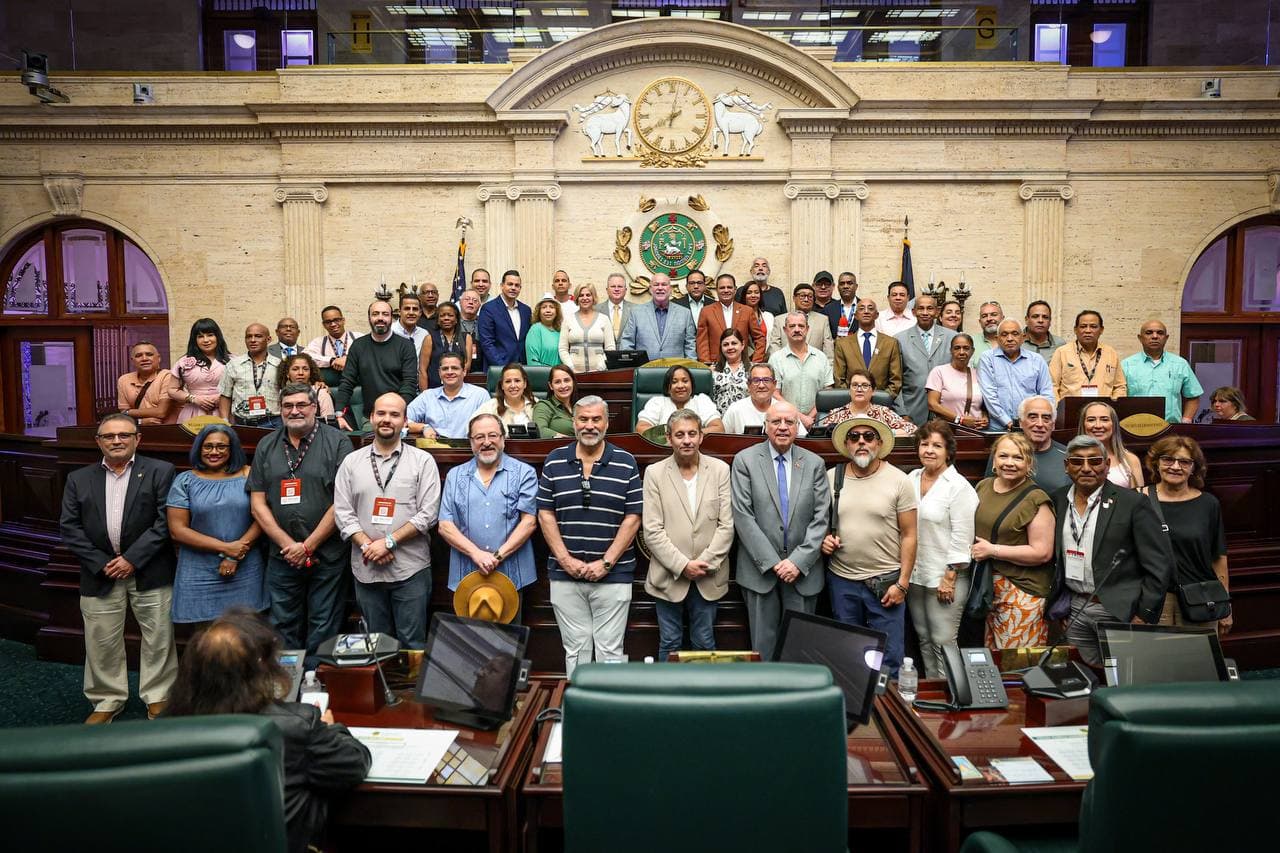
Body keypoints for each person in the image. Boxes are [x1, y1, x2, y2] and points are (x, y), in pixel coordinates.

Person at [164, 608, 371, 853]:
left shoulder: (167, 728)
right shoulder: (296, 726)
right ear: (261, 666)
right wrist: (331, 728)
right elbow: (355, 762)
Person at [60, 414, 178, 723]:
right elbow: (70, 528)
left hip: (150, 569)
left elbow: (166, 521)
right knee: (100, 640)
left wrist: (132, 559)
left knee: (159, 637)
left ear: (138, 439)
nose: (116, 441)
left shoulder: (160, 471)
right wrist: (102, 564)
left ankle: (159, 696)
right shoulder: (78, 478)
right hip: (98, 572)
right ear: (97, 441)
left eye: (124, 435)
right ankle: (106, 701)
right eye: (109, 436)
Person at [537, 396, 642, 675]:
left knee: (611, 650)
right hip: (564, 573)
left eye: (596, 419)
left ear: (607, 423)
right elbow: (545, 514)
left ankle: (613, 716)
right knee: (576, 649)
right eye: (583, 419)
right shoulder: (554, 460)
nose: (590, 425)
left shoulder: (625, 462)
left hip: (614, 574)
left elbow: (633, 519)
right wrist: (565, 560)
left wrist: (606, 563)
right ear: (573, 423)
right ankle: (580, 713)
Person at [247, 383, 350, 663]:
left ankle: (316, 686)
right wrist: (289, 545)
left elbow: (342, 502)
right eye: (288, 406)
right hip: (282, 555)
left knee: (324, 623)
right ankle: (287, 685)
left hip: (326, 553)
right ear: (280, 410)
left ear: (314, 407)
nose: (295, 411)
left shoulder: (337, 442)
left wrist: (308, 546)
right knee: (282, 624)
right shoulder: (267, 444)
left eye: (301, 405)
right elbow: (257, 502)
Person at [1049, 435, 1173, 666]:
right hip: (1075, 608)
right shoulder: (1058, 500)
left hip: (1120, 610)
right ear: (1067, 467)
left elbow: (1159, 564)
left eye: (1095, 461)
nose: (1086, 468)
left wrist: (1144, 614)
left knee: (1124, 680)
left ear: (1106, 466)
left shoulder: (1132, 503)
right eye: (1077, 461)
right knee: (1082, 680)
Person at [334, 393, 440, 649]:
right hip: (367, 567)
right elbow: (342, 512)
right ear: (370, 417)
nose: (387, 419)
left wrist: (389, 542)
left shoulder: (423, 461)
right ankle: (383, 691)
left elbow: (428, 514)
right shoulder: (351, 462)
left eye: (394, 415)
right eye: (381, 413)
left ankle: (409, 691)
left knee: (413, 644)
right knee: (376, 645)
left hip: (410, 569)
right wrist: (369, 546)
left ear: (405, 421)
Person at [730, 401, 830, 661]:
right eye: (776, 422)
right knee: (763, 650)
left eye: (789, 422)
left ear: (798, 427)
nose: (783, 427)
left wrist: (797, 562)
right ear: (766, 426)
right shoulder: (745, 461)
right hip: (759, 572)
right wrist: (774, 563)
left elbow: (821, 519)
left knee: (800, 650)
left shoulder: (814, 463)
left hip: (802, 574)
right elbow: (743, 517)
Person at [821, 417, 917, 676]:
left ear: (879, 442)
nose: (861, 442)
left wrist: (903, 584)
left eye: (868, 436)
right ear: (846, 444)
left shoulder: (899, 480)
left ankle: (889, 715)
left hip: (886, 584)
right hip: (843, 582)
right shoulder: (832, 478)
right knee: (848, 658)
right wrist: (824, 541)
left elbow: (910, 535)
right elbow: (817, 524)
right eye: (854, 437)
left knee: (890, 661)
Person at [643, 409, 734, 661]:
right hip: (668, 576)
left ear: (701, 436)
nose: (687, 440)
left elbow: (726, 526)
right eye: (680, 434)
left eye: (692, 434)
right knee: (669, 642)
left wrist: (704, 563)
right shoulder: (655, 473)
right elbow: (652, 530)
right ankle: (668, 698)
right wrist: (683, 565)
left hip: (708, 575)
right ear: (668, 437)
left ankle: (703, 699)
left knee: (704, 642)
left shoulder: (720, 470)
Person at [438, 413, 539, 622]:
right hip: (466, 577)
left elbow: (528, 522)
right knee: (471, 648)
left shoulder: (524, 473)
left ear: (503, 438)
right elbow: (445, 525)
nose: (486, 442)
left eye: (493, 435)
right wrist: (476, 554)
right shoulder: (455, 475)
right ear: (471, 441)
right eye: (479, 437)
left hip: (511, 576)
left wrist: (497, 556)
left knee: (509, 647)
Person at [167, 424, 266, 625]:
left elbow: (263, 517)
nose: (214, 452)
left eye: (221, 447)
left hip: (245, 567)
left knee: (248, 635)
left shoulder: (249, 474)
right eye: (208, 446)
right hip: (197, 572)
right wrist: (226, 548)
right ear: (199, 448)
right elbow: (178, 531)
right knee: (206, 640)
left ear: (232, 449)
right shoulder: (184, 481)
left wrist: (234, 555)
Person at [907, 421, 978, 679]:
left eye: (937, 445)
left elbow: (963, 536)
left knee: (944, 642)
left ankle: (953, 698)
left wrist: (950, 576)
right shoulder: (911, 478)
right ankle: (931, 695)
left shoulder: (958, 486)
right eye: (924, 444)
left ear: (949, 451)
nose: (929, 450)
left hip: (946, 578)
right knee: (924, 639)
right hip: (915, 575)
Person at [972, 432, 1056, 649]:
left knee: (1015, 665)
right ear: (994, 460)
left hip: (1023, 592)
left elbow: (1042, 552)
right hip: (989, 589)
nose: (1009, 463)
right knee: (994, 658)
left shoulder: (1036, 499)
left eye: (1018, 458)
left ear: (1029, 463)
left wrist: (992, 550)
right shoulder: (983, 487)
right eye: (1003, 456)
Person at [1144, 435, 1231, 634]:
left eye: (1184, 462)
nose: (1175, 466)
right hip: (1155, 599)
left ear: (1194, 468)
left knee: (1197, 662)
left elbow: (1218, 557)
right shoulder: (1139, 500)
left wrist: (1225, 604)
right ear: (1156, 463)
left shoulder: (1208, 504)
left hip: (1201, 598)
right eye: (1168, 459)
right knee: (1157, 662)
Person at [330, 300, 419, 431]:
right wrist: (339, 413)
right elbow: (347, 382)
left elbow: (409, 384)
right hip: (371, 418)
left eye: (385, 314)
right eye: (375, 314)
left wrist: (396, 411)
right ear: (369, 318)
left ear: (391, 318)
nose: (380, 318)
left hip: (399, 415)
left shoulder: (405, 346)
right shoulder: (358, 346)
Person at [977, 319, 1054, 430]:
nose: (1010, 339)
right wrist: (1007, 422)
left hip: (1031, 427)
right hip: (997, 428)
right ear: (997, 339)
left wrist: (1041, 421)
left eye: (1015, 334)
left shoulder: (1037, 360)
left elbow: (1047, 394)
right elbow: (989, 395)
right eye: (1004, 335)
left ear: (1023, 337)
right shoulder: (987, 358)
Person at [1122, 320, 1203, 423]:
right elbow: (1118, 397)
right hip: (1135, 426)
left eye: (1160, 333)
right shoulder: (1126, 365)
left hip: (1171, 428)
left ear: (1166, 338)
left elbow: (1193, 395)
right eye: (1149, 333)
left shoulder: (1180, 364)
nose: (1155, 336)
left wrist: (1186, 420)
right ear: (1140, 338)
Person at [896, 293, 956, 428]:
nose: (925, 312)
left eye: (929, 308)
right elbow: (895, 380)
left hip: (945, 412)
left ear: (937, 311)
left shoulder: (952, 338)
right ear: (913, 312)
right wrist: (901, 412)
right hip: (912, 411)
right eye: (920, 308)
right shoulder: (899, 340)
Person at [768, 311, 833, 430]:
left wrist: (810, 418)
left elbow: (827, 392)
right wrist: (800, 417)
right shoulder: (776, 359)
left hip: (816, 422)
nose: (797, 329)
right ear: (785, 329)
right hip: (784, 423)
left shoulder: (821, 357)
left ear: (807, 329)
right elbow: (774, 393)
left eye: (801, 326)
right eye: (792, 326)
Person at [406, 352, 488, 440]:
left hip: (468, 449)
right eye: (445, 369)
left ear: (464, 372)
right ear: (439, 373)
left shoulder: (479, 395)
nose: (449, 372)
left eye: (455, 368)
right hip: (435, 450)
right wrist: (423, 427)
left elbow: (490, 426)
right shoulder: (427, 396)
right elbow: (402, 421)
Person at [833, 297, 904, 397]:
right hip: (851, 404)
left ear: (877, 315)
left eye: (870, 308)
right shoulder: (843, 344)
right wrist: (854, 399)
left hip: (881, 405)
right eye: (861, 309)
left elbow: (896, 380)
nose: (866, 311)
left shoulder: (890, 343)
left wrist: (881, 400)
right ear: (856, 315)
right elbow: (839, 379)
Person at [1049, 310, 1127, 400]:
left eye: (1093, 327)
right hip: (1070, 411)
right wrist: (1059, 410)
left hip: (1103, 410)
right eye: (1083, 326)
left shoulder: (1110, 353)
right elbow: (1052, 386)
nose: (1088, 330)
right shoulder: (1062, 352)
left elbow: (1120, 386)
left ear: (1101, 330)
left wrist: (1112, 407)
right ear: (1075, 330)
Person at [620, 273, 697, 360]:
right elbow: (627, 343)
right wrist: (632, 367)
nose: (660, 288)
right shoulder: (636, 313)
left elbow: (690, 346)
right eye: (656, 284)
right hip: (645, 370)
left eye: (664, 284)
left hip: (676, 371)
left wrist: (690, 369)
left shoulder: (685, 314)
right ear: (650, 289)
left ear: (670, 289)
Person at [219, 323, 282, 428]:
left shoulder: (279, 365)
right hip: (241, 424)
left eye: (258, 336)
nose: (252, 340)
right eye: (249, 336)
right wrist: (224, 421)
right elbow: (225, 395)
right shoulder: (233, 365)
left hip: (273, 423)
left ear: (268, 339)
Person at [170, 318, 230, 423]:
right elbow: (172, 390)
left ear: (218, 337)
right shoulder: (183, 362)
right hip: (193, 414)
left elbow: (241, 388)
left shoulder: (232, 361)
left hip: (224, 412)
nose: (206, 340)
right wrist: (193, 398)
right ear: (194, 340)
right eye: (200, 336)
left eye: (210, 335)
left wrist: (221, 398)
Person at [821, 369, 916, 436]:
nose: (859, 389)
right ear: (849, 390)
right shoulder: (836, 414)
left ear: (873, 391)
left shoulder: (883, 412)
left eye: (865, 385)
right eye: (854, 385)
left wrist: (888, 433)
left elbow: (913, 430)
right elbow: (822, 437)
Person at [697, 272, 766, 364]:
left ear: (735, 289)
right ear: (716, 290)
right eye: (722, 288)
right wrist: (707, 365)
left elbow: (760, 338)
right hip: (716, 365)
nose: (726, 290)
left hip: (742, 364)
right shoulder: (706, 311)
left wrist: (755, 362)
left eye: (729, 287)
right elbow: (702, 341)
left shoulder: (747, 311)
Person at [722, 363, 809, 436]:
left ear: (774, 384)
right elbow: (720, 439)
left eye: (766, 380)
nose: (761, 386)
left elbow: (802, 439)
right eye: (756, 380)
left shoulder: (785, 410)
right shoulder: (735, 409)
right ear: (748, 385)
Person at [634, 364, 724, 434]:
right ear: (668, 387)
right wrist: (674, 435)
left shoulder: (702, 401)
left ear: (692, 385)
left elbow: (719, 429)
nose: (680, 386)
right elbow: (640, 429)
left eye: (685, 381)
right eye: (674, 382)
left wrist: (690, 435)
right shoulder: (657, 402)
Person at [926, 333, 989, 429]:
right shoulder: (939, 372)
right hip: (947, 431)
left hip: (975, 432)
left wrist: (984, 418)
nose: (962, 352)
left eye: (966, 348)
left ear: (972, 351)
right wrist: (960, 420)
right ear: (951, 351)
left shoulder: (978, 374)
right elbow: (932, 404)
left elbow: (981, 405)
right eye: (957, 348)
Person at [1011, 395, 1071, 492]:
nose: (1040, 424)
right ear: (1021, 422)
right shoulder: (1004, 453)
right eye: (1033, 417)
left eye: (1046, 418)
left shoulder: (1068, 456)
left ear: (1053, 425)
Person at [1079, 400, 1144, 488]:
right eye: (1091, 420)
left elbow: (1139, 499)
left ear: (1113, 424)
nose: (1098, 425)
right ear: (1083, 425)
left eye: (1104, 420)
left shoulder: (1131, 460)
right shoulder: (1072, 459)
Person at [477, 269, 531, 370]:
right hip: (498, 368)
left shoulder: (526, 310)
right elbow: (487, 342)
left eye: (517, 285)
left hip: (523, 368)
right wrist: (503, 367)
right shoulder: (489, 309)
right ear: (502, 286)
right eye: (510, 284)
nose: (513, 288)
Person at [766, 283, 834, 360]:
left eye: (810, 296)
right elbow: (774, 346)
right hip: (786, 367)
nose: (806, 299)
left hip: (815, 368)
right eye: (802, 296)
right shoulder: (779, 320)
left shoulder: (822, 320)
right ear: (794, 298)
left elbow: (828, 349)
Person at [558, 282, 615, 373]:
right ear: (577, 298)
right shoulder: (568, 319)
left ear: (593, 297)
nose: (585, 298)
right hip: (574, 374)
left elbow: (610, 348)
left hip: (600, 373)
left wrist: (600, 368)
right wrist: (571, 368)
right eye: (581, 295)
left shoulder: (604, 319)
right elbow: (562, 348)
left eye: (588, 295)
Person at [117, 340, 178, 424]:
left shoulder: (168, 376)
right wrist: (140, 421)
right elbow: (123, 416)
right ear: (133, 361)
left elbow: (161, 412)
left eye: (149, 354)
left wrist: (128, 412)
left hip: (169, 430)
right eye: (138, 356)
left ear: (159, 358)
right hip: (137, 431)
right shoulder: (124, 380)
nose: (144, 358)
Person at [417, 301, 473, 390]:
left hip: (459, 388)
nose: (446, 318)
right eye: (442, 315)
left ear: (456, 319)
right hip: (434, 388)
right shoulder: (429, 338)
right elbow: (422, 370)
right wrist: (425, 395)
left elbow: (467, 365)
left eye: (450, 315)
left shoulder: (466, 338)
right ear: (438, 320)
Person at [277, 353, 335, 422]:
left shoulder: (321, 393)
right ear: (287, 374)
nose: (301, 373)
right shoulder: (282, 394)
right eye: (295, 369)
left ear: (310, 373)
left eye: (305, 369)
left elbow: (329, 423)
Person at [477, 362, 537, 427]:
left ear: (525, 384)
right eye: (508, 381)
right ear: (502, 385)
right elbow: (471, 427)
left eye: (517, 381)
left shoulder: (536, 403)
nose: (513, 385)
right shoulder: (490, 407)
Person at [304, 305, 360, 372]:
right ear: (324, 325)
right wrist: (331, 360)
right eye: (328, 322)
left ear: (343, 321)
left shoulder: (358, 337)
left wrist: (348, 359)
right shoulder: (319, 342)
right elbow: (305, 356)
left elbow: (369, 355)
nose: (333, 324)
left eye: (336, 320)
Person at [533, 364, 578, 437]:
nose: (563, 386)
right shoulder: (544, 406)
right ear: (551, 386)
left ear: (573, 382)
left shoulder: (581, 406)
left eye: (567, 380)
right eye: (557, 382)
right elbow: (539, 430)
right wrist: (563, 438)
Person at [711, 328, 750, 413]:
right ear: (721, 347)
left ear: (742, 345)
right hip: (720, 421)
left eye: (734, 343)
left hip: (745, 418)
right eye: (725, 344)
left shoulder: (753, 370)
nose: (730, 347)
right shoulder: (713, 371)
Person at [526, 295, 563, 367]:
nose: (548, 310)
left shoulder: (560, 330)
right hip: (543, 375)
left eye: (552, 307)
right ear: (539, 312)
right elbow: (532, 362)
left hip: (560, 375)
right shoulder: (535, 329)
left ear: (557, 312)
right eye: (544, 307)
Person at [392, 292, 429, 359]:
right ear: (399, 312)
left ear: (420, 313)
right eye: (407, 308)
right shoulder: (390, 331)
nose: (411, 313)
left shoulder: (424, 334)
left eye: (415, 309)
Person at [823, 271, 859, 339]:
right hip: (836, 348)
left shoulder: (864, 307)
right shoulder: (828, 309)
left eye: (849, 283)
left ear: (856, 286)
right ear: (838, 287)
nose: (845, 286)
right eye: (842, 284)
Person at [741, 281, 774, 353]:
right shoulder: (738, 316)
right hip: (745, 358)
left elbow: (773, 340)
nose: (753, 295)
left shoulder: (768, 316)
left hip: (766, 358)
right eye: (749, 293)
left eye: (756, 292)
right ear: (744, 296)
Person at [604, 272, 633, 342]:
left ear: (626, 290)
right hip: (603, 352)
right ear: (607, 290)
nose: (616, 289)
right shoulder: (596, 310)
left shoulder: (635, 310)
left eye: (620, 286)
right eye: (613, 286)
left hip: (627, 352)